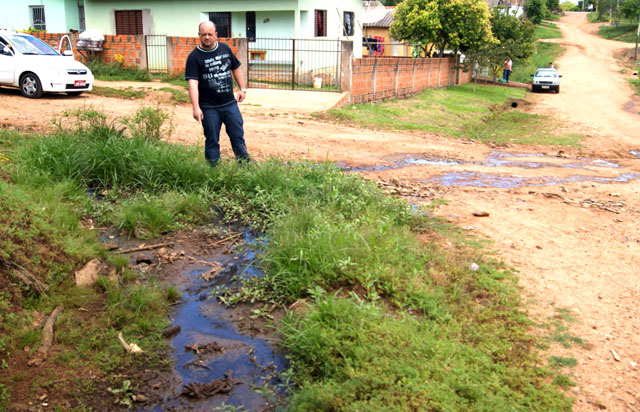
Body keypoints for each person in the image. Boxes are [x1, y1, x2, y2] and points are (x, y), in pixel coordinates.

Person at [185, 20, 250, 166]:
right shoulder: (194, 57)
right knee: (212, 139)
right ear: (199, 35)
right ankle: (213, 170)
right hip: (209, 108)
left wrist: (242, 88)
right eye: (203, 34)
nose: (207, 37)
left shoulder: (225, 49)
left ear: (216, 35)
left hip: (230, 104)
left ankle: (244, 166)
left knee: (237, 136)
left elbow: (236, 67)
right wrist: (196, 107)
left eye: (210, 34)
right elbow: (193, 83)